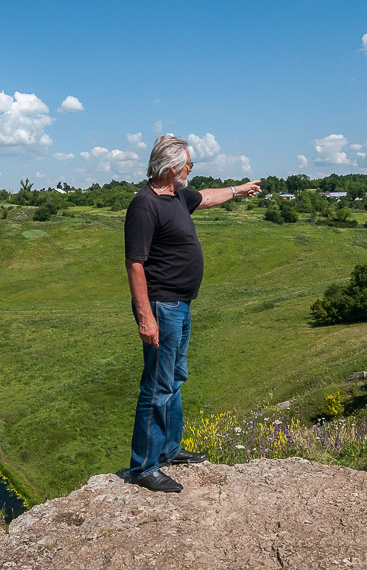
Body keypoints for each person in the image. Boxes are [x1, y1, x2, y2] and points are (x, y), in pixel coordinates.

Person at [124, 134, 261, 492]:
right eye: (189, 164)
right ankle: (144, 467)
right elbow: (135, 264)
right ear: (172, 168)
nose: (191, 169)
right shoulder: (144, 204)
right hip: (161, 306)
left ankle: (169, 450)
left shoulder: (177, 197)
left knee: (174, 378)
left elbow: (209, 197)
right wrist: (145, 317)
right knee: (157, 385)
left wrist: (239, 189)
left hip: (181, 305)